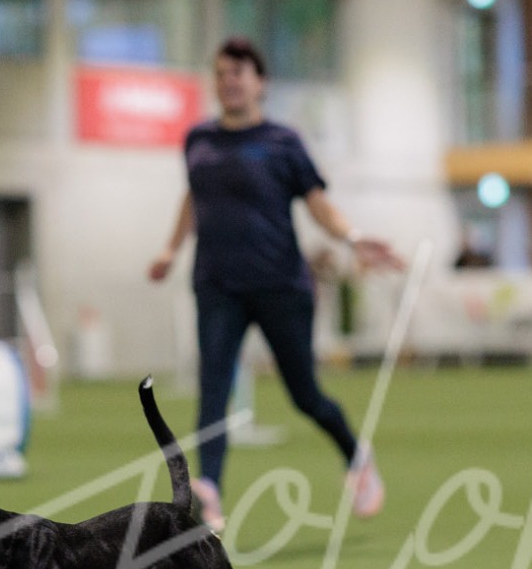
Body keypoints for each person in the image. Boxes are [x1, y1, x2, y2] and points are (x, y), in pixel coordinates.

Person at [147, 36, 405, 533]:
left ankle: (356, 455)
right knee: (213, 388)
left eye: (238, 73)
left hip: (280, 285)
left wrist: (354, 239)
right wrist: (169, 249)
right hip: (217, 285)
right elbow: (192, 198)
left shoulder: (283, 142)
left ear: (260, 82)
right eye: (221, 73)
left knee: (304, 394)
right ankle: (209, 492)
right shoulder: (197, 140)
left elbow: (318, 205)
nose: (229, 82)